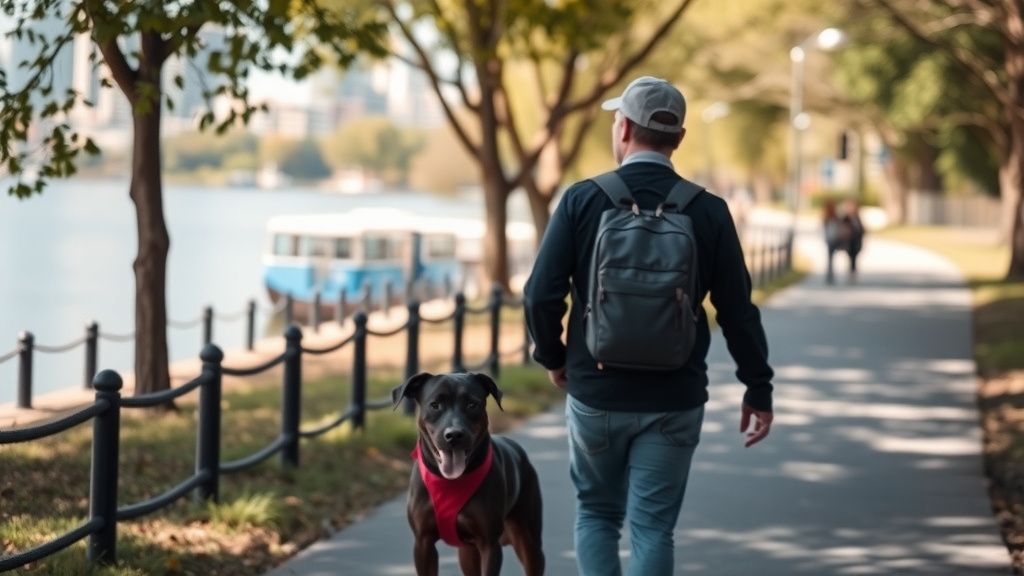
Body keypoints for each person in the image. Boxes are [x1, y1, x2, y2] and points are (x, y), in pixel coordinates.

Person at [523, 76, 775, 576]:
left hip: (595, 391)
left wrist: (553, 358)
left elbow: (540, 295)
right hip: (673, 397)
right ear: (678, 139)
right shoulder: (708, 210)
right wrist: (758, 388)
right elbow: (737, 311)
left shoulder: (582, 200)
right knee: (653, 527)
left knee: (597, 513)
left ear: (622, 130)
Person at [840, 199, 865, 283]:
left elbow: (862, 230)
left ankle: (853, 274)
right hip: (848, 242)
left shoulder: (857, 217)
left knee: (854, 258)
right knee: (850, 258)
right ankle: (851, 274)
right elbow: (842, 229)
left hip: (856, 241)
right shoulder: (845, 218)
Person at [823, 199, 842, 284]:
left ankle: (830, 275)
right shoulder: (830, 217)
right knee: (831, 258)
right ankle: (830, 275)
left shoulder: (828, 217)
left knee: (830, 258)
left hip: (831, 239)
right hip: (832, 239)